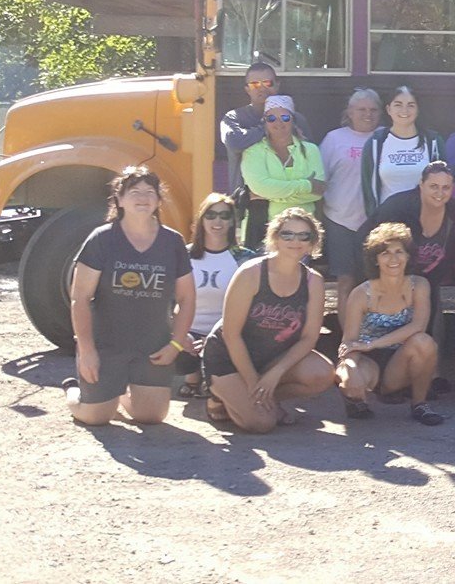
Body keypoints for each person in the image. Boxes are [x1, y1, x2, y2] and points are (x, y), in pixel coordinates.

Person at [63, 167, 196, 426]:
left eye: (150, 192)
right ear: (119, 200)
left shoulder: (173, 242)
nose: (143, 198)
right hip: (106, 345)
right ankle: (73, 391)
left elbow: (187, 299)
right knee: (96, 417)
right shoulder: (101, 239)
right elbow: (80, 298)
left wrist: (176, 345)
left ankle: (119, 393)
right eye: (134, 192)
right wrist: (87, 350)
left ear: (159, 200)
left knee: (151, 416)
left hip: (152, 346)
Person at [199, 209, 336, 432]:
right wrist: (253, 381)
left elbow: (309, 338)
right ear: (274, 237)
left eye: (304, 236)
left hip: (273, 357)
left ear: (313, 242)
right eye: (287, 234)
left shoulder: (313, 281)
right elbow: (231, 335)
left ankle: (260, 400)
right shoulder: (251, 273)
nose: (295, 241)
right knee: (261, 423)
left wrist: (275, 373)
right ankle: (219, 396)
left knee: (322, 374)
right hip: (229, 356)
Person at [335, 224, 441, 423]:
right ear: (375, 259)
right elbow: (349, 342)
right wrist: (350, 369)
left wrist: (372, 343)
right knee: (349, 375)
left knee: (424, 342)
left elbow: (418, 326)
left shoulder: (419, 285)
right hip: (368, 360)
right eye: (385, 253)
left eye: (399, 252)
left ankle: (420, 404)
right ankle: (355, 399)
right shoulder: (360, 294)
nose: (393, 259)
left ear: (408, 256)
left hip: (401, 359)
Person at [219, 62, 310, 246]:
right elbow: (235, 143)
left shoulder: (297, 119)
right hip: (250, 208)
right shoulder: (234, 118)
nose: (261, 88)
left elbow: (309, 157)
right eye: (254, 84)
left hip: (290, 206)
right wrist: (268, 124)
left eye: (267, 83)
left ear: (277, 85)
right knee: (252, 259)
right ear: (247, 89)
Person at [176, 192, 250, 400]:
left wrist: (216, 339)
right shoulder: (183, 255)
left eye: (224, 216)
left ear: (232, 221)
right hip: (189, 331)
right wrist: (180, 334)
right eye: (210, 215)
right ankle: (192, 376)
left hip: (227, 334)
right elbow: (168, 300)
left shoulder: (244, 258)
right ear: (201, 220)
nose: (217, 221)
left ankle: (212, 379)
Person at [367, 162, 455, 289]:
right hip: (386, 279)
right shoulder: (396, 209)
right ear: (421, 185)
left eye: (446, 188)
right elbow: (373, 250)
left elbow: (450, 256)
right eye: (434, 186)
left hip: (427, 281)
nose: (439, 193)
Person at [317, 87, 381, 296]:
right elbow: (320, 180)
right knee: (346, 280)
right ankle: (347, 320)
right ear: (350, 112)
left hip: (376, 220)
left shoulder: (386, 137)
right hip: (340, 221)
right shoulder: (334, 139)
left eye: (373, 109)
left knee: (376, 279)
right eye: (362, 109)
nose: (368, 114)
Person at [238, 96, 325, 230]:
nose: (278, 123)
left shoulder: (311, 150)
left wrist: (271, 196)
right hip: (261, 228)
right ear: (264, 121)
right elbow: (260, 187)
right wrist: (307, 185)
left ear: (293, 120)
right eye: (271, 118)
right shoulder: (253, 151)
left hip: (304, 228)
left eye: (285, 117)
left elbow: (317, 192)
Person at [361, 86, 445, 211]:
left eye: (411, 105)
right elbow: (368, 188)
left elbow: (443, 183)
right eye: (398, 105)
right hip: (388, 218)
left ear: (417, 110)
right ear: (389, 109)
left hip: (424, 217)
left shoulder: (433, 142)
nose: (404, 110)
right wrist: (374, 217)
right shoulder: (376, 143)